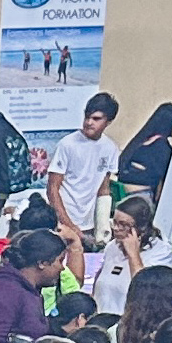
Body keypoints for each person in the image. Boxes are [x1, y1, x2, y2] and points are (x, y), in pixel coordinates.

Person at [44, 95, 120, 252]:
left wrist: (103, 227)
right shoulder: (67, 144)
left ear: (109, 121)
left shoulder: (110, 148)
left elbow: (103, 189)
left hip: (88, 226)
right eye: (87, 117)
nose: (89, 122)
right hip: (61, 223)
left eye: (96, 118)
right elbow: (53, 189)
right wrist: (68, 224)